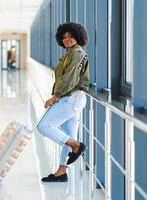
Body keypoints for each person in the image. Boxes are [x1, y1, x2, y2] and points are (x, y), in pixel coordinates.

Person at [37, 22, 90, 182]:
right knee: (68, 133)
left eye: (71, 36)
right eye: (64, 37)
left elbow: (70, 78)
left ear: (78, 36)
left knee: (44, 126)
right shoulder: (70, 53)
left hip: (71, 98)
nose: (67, 39)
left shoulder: (77, 53)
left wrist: (55, 96)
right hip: (73, 98)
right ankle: (62, 172)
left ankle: (75, 145)